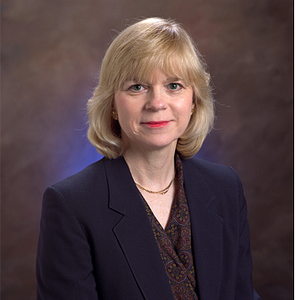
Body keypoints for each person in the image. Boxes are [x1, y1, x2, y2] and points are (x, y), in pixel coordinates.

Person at [36, 17, 261, 300]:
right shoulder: (72, 205)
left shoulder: (225, 187)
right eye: (137, 87)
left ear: (193, 102)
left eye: (174, 85)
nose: (157, 103)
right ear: (113, 105)